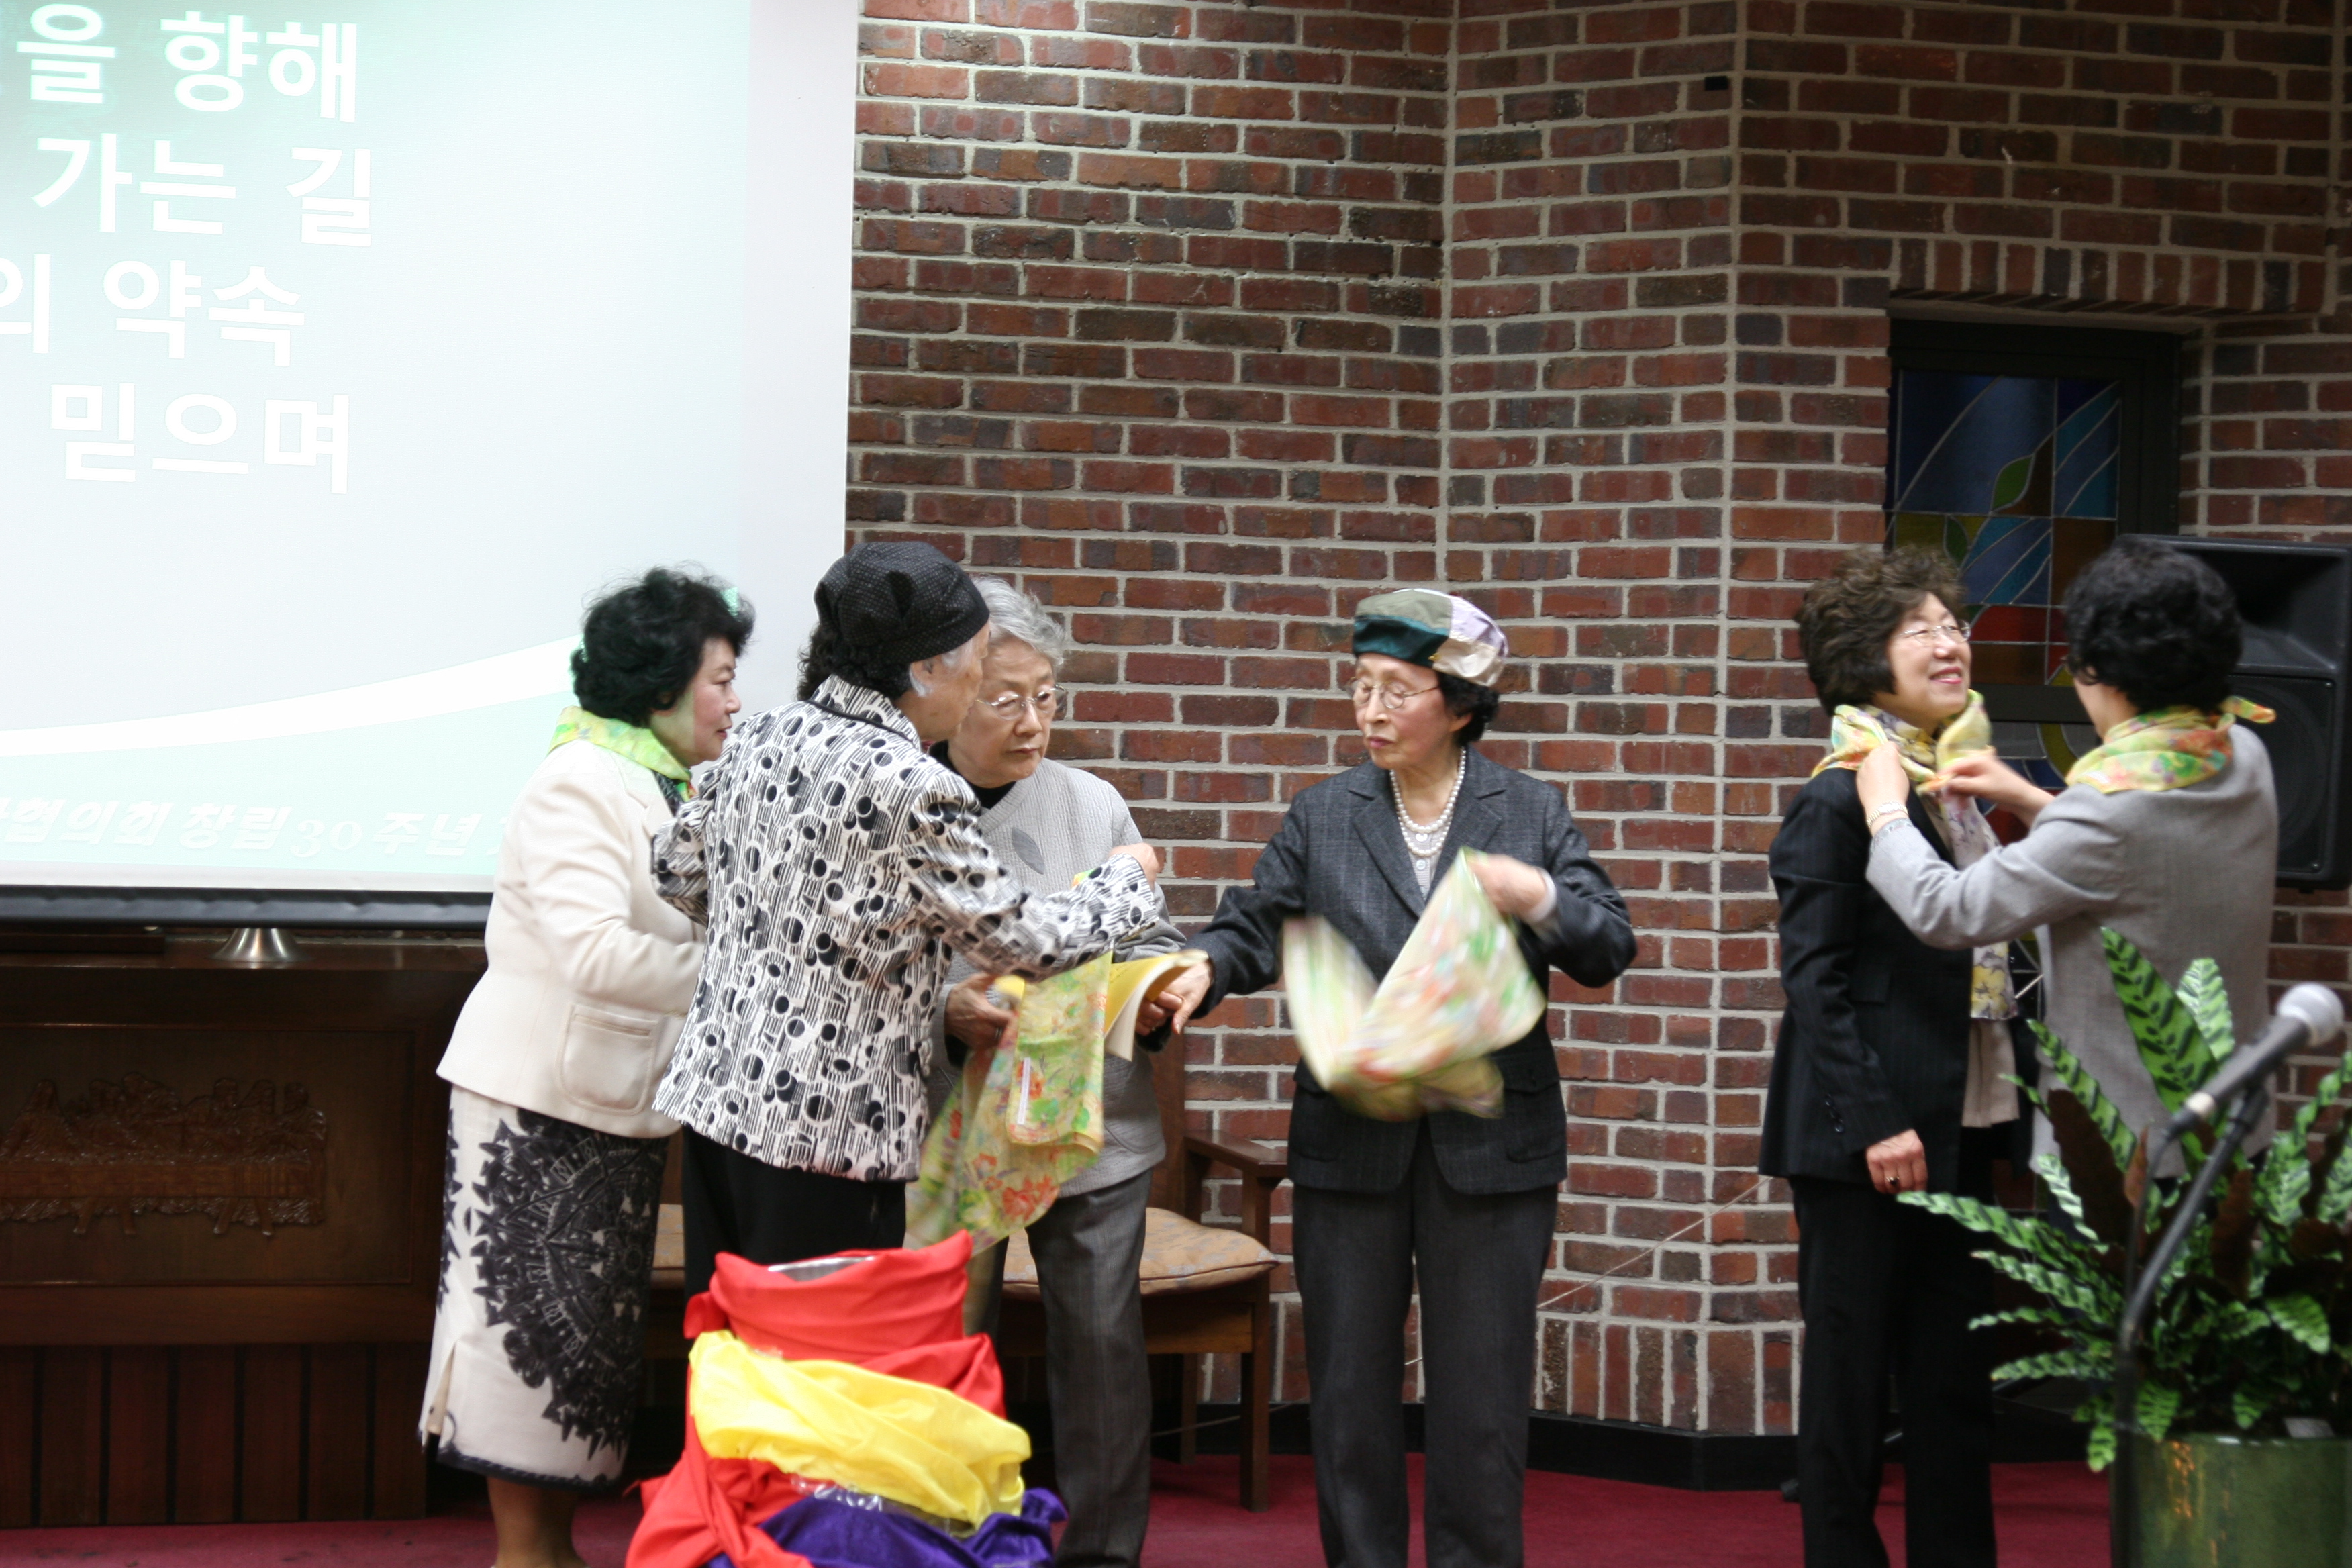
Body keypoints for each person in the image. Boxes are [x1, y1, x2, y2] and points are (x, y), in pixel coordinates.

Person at [1147, 589, 1634, 1568]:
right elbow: (1255, 923)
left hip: (1492, 1150)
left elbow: (1607, 944)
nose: (1369, 709)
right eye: (1361, 686)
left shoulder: (1528, 810)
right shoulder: (1324, 813)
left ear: (1458, 705)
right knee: (1349, 1392)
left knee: (1482, 1398)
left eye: (1396, 690)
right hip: (1350, 1142)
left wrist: (1537, 893)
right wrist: (1204, 965)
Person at [651, 541, 1165, 1298]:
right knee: (819, 1361)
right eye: (978, 664)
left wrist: (789, 929)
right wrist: (1128, 878)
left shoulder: (761, 734)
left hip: (716, 1107)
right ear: (925, 669)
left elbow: (675, 868)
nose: (977, 682)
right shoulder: (912, 782)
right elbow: (1023, 942)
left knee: (731, 1347)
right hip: (826, 1132)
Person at [423, 567, 751, 1568]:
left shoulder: (662, 781)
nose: (736, 702)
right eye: (722, 679)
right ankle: (525, 1553)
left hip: (608, 1101)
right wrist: (745, 976)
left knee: (585, 1343)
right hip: (534, 1103)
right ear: (663, 684)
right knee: (522, 1336)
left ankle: (549, 1548)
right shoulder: (580, 780)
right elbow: (595, 954)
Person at [1857, 534, 2277, 1162]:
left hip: (2127, 1157)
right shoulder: (2242, 750)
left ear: (2098, 671)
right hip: (2241, 1136)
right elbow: (2148, 857)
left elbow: (1949, 911)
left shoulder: (2107, 811)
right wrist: (2028, 797)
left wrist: (1886, 812)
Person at [1761, 546, 2018, 1568]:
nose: (1950, 643)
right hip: (1866, 1137)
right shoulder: (1841, 794)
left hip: (1966, 1118)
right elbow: (1813, 979)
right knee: (1851, 1384)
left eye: (1954, 625)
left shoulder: (1956, 783)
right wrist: (1875, 1119)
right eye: (1921, 630)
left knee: (1956, 1384)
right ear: (1866, 660)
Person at [923, 577, 1185, 1568]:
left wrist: (1156, 989)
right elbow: (863, 967)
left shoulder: (1092, 801)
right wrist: (945, 1011)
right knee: (947, 1347)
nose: (1034, 722)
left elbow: (1148, 933)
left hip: (1093, 1126)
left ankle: (1105, 1554)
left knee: (1104, 1348)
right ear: (952, 691)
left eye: (1047, 697)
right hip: (951, 1126)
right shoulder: (906, 801)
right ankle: (942, 1544)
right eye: (1007, 700)